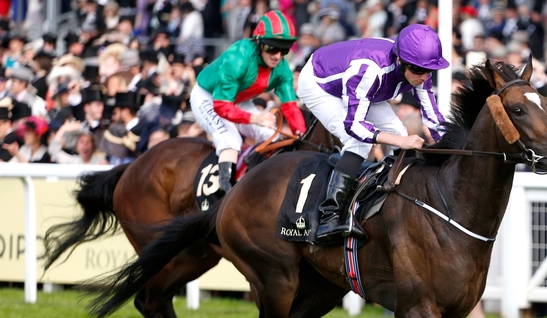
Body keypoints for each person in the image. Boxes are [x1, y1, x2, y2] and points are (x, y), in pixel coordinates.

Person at [298, 23, 448, 243]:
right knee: (358, 142)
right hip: (320, 84)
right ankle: (330, 216)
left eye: (429, 71)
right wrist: (401, 141)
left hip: (365, 89)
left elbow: (432, 116)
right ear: (400, 60)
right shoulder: (370, 70)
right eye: (417, 70)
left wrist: (448, 148)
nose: (424, 76)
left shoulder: (419, 69)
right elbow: (354, 125)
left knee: (398, 129)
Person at [190, 10, 306, 196]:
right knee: (230, 139)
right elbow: (221, 106)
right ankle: (223, 194)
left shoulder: (283, 69)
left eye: (284, 50)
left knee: (271, 137)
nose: (277, 56)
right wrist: (255, 118)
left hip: (239, 99)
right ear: (259, 43)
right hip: (209, 97)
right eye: (271, 48)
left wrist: (301, 131)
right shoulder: (238, 58)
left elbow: (290, 105)